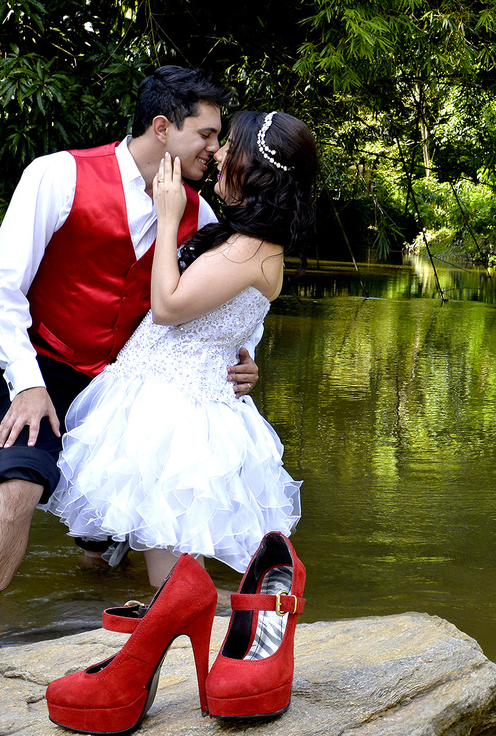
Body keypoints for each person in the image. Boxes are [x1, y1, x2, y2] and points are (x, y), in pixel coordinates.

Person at [0, 66, 260, 611]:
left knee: (105, 539)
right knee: (19, 485)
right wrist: (27, 384)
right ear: (164, 127)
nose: (217, 150)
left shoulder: (203, 213)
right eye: (208, 135)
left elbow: (226, 305)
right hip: (47, 366)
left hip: (132, 381)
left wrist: (245, 359)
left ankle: (100, 572)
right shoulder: (57, 175)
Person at [45, 109, 317, 588]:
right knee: (156, 562)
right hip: (163, 399)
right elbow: (228, 322)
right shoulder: (242, 240)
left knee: (168, 579)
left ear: (252, 168)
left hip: (178, 416)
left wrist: (168, 217)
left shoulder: (251, 248)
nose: (218, 153)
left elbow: (169, 307)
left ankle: (188, 639)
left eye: (230, 146)